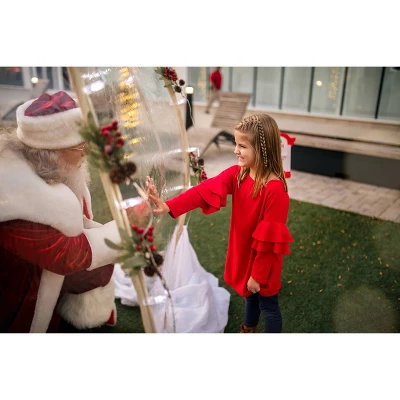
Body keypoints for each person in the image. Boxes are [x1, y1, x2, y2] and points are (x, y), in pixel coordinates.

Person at [148, 114, 293, 333]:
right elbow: (203, 191)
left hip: (264, 261)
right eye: (236, 144)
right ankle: (249, 329)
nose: (236, 150)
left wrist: (258, 275)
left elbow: (270, 240)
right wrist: (169, 206)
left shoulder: (275, 190)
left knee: (268, 306)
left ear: (262, 150)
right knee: (249, 296)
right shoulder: (239, 174)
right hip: (245, 252)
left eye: (242, 146)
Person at [0, 91, 122, 333]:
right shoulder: (14, 195)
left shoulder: (53, 168)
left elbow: (73, 222)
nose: (87, 152)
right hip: (16, 293)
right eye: (80, 146)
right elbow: (67, 255)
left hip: (44, 273)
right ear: (50, 152)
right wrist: (126, 230)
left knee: (101, 267)